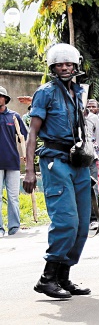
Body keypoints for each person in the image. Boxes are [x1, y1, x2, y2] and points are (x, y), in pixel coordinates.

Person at [24, 43, 92, 299]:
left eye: (69, 64)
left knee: (83, 224)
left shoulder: (78, 93)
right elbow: (32, 133)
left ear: (76, 66)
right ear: (52, 68)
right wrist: (30, 170)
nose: (65, 68)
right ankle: (47, 278)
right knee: (66, 221)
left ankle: (63, 276)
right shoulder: (46, 93)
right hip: (55, 160)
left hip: (78, 162)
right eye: (60, 64)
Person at [0, 86, 27, 237]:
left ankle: (14, 228)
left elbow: (25, 137)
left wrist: (27, 156)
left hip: (12, 162)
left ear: (5, 99)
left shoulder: (14, 117)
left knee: (13, 196)